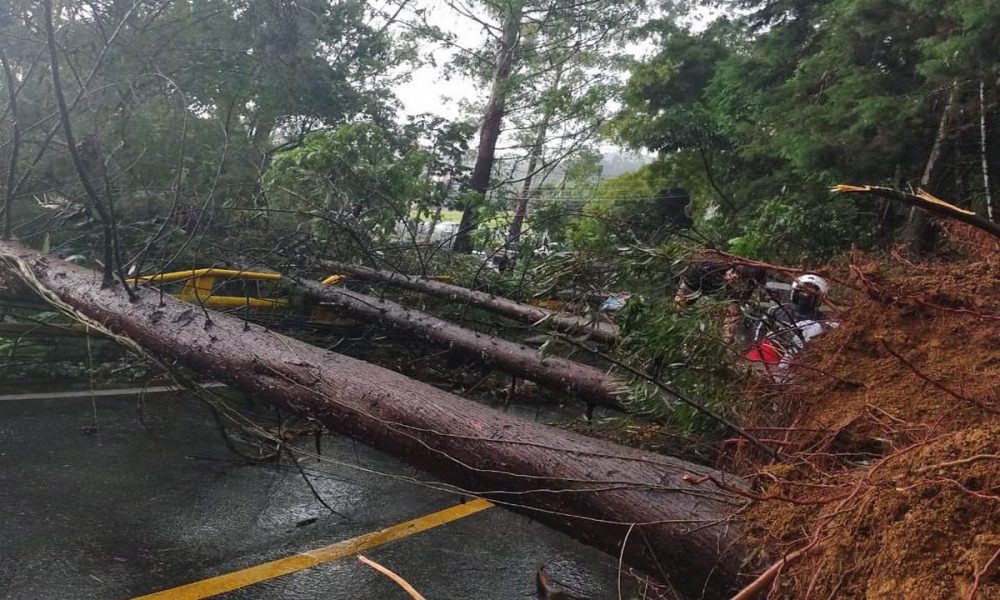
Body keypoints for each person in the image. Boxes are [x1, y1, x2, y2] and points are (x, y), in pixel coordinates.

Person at [745, 273, 837, 375]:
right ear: (794, 291)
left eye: (812, 291)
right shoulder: (776, 310)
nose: (806, 294)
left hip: (797, 363)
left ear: (820, 297)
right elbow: (757, 333)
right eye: (803, 289)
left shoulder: (822, 321)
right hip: (767, 353)